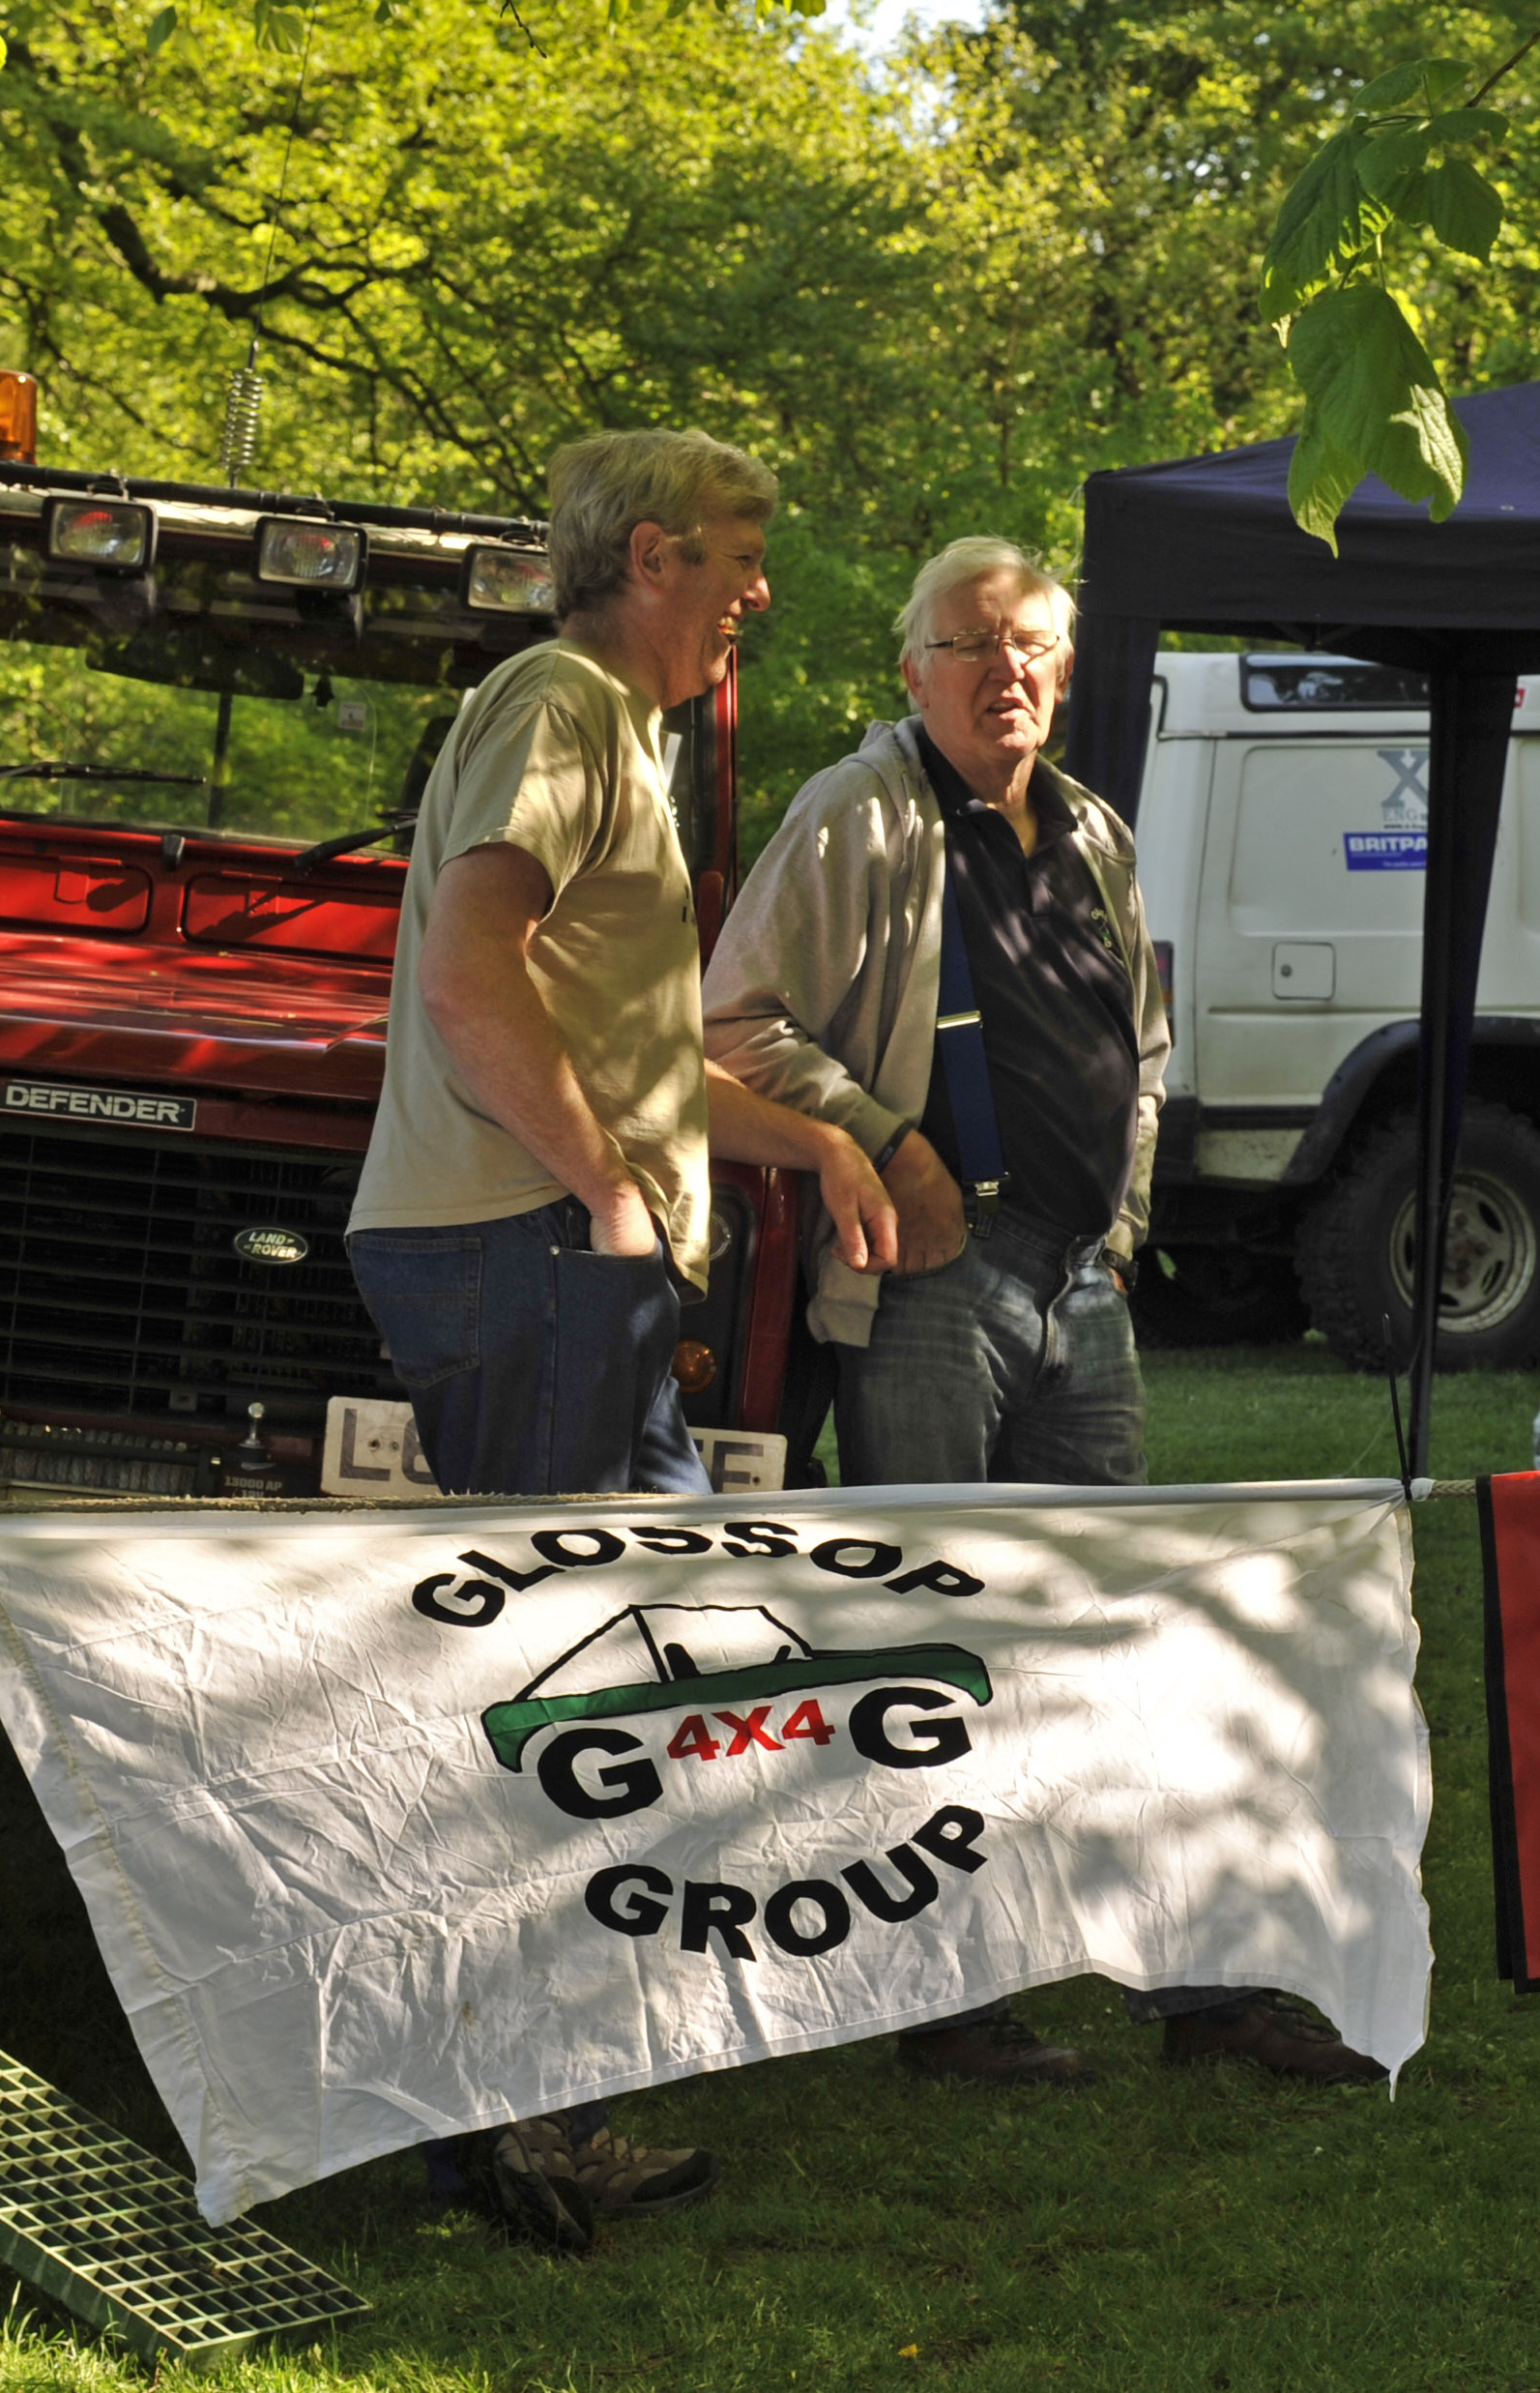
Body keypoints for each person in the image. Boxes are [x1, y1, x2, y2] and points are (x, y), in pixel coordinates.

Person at [704, 535, 1373, 2089]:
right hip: (927, 1289)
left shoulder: (1088, 829)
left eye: (1028, 644)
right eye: (970, 643)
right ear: (913, 671)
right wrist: (888, 1142)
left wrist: (1119, 1233)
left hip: (1077, 1283)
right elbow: (731, 1025)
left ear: (1063, 671)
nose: (1002, 669)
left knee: (1122, 1636)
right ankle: (944, 2009)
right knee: (932, 1647)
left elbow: (1140, 1047)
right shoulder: (857, 813)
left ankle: (1198, 1991)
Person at [346, 426, 900, 2250]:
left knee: (629, 1683)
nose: (760, 592)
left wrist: (811, 1143)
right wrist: (601, 1194)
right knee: (554, 1693)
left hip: (560, 1248)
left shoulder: (611, 734)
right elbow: (467, 976)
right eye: (739, 555)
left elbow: (635, 1062)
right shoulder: (562, 703)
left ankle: (548, 2105)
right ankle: (487, 2133)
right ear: (650, 555)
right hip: (526, 1249)